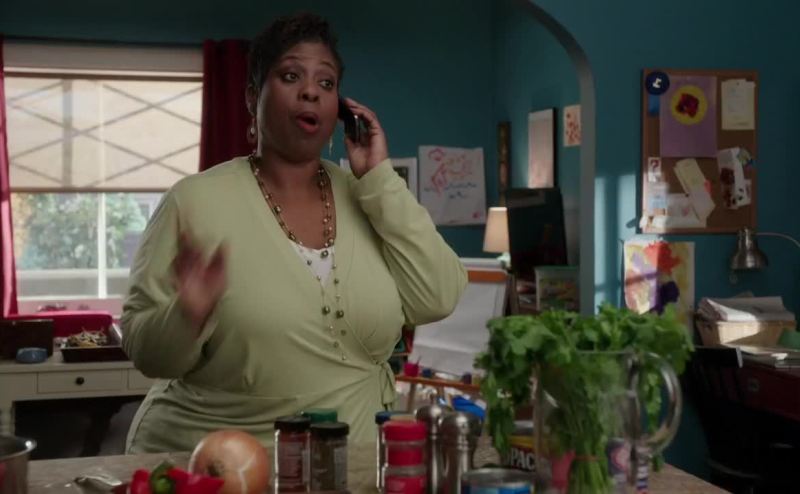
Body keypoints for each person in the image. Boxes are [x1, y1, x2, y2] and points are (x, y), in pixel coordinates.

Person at [121, 12, 467, 453]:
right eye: (290, 76)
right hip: (212, 462)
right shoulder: (192, 202)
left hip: (347, 466)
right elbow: (147, 354)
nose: (311, 91)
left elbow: (438, 297)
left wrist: (379, 178)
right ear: (253, 96)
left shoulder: (370, 196)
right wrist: (186, 314)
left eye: (326, 82)